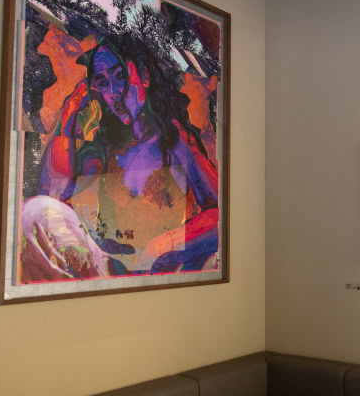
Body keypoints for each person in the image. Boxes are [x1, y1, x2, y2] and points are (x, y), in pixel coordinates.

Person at [20, 36, 219, 283]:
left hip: (160, 271)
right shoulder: (105, 142)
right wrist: (69, 115)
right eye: (103, 83)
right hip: (107, 267)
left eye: (120, 77)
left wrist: (163, 246)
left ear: (144, 76)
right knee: (35, 211)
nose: (113, 93)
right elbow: (51, 195)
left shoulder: (175, 139)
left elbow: (222, 214)